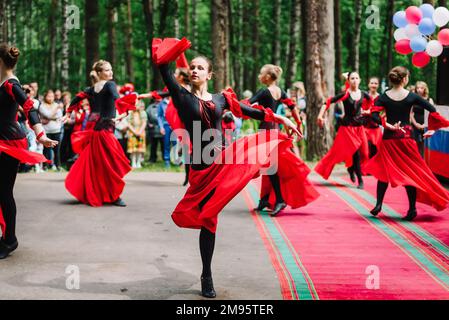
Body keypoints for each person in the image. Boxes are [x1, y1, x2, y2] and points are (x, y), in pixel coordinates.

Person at [154, 38, 305, 299]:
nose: (194, 70)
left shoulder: (221, 99)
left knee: (209, 219)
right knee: (205, 218)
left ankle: (206, 275)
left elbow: (254, 112)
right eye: (192, 66)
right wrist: (176, 49)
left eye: (200, 67)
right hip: (199, 169)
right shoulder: (180, 95)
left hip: (223, 162)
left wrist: (280, 118)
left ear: (209, 74)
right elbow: (163, 67)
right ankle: (206, 273)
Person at [365, 66, 449, 221]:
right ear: (404, 79)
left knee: (384, 172)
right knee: (410, 173)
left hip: (389, 139)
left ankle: (378, 204)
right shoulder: (412, 97)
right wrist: (433, 127)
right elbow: (432, 109)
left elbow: (374, 114)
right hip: (406, 140)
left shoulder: (383, 97)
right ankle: (412, 208)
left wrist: (386, 124)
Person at [0, 44, 58, 259]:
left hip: (9, 143)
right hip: (2, 139)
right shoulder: (2, 84)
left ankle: (10, 240)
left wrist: (41, 136)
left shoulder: (11, 85)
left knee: (4, 192)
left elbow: (29, 107)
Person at [65, 60, 132, 207]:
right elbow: (117, 98)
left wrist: (68, 112)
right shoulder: (110, 85)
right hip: (105, 130)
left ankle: (104, 193)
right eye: (107, 70)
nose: (111, 73)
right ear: (100, 73)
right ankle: (114, 196)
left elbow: (76, 98)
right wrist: (125, 109)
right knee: (111, 164)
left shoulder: (92, 88)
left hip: (95, 130)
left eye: (111, 70)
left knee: (99, 164)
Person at [249, 64, 309, 216]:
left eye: (261, 74)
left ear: (268, 77)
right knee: (267, 164)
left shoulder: (263, 91)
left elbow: (248, 104)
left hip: (267, 129)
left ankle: (280, 199)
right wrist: (298, 123)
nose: (259, 76)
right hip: (275, 128)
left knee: (270, 166)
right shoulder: (280, 91)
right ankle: (264, 199)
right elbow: (292, 106)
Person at [315, 71, 372, 189]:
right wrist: (320, 115)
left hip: (359, 128)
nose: (355, 80)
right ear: (348, 81)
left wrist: (368, 111)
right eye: (352, 78)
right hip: (347, 129)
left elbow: (373, 104)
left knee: (365, 153)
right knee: (354, 153)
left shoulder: (364, 94)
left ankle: (351, 169)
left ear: (360, 80)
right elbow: (328, 102)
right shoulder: (345, 94)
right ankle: (360, 180)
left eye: (357, 78)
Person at [39, 90, 64, 170]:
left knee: (57, 149)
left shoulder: (56, 105)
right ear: (45, 97)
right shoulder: (42, 105)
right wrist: (54, 113)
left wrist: (49, 117)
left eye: (52, 96)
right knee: (46, 149)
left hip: (56, 130)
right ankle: (45, 165)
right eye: (49, 96)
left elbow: (59, 116)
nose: (50, 98)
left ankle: (58, 165)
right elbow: (48, 115)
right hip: (46, 131)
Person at [411, 81, 434, 158]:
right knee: (415, 144)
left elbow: (432, 114)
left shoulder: (429, 100)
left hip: (426, 125)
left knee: (424, 145)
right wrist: (416, 124)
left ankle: (424, 162)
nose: (419, 90)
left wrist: (425, 125)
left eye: (421, 88)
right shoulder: (413, 99)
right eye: (417, 88)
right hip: (415, 125)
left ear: (425, 89)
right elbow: (410, 113)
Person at [364, 77, 383, 158]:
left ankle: (373, 169)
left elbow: (384, 110)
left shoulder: (381, 98)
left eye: (375, 83)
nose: (373, 85)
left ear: (378, 85)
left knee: (375, 150)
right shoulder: (364, 96)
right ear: (368, 84)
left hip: (375, 127)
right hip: (364, 127)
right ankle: (364, 169)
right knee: (365, 149)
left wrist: (380, 116)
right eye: (372, 83)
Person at [127, 100, 148, 169]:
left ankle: (138, 162)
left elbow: (144, 123)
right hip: (132, 132)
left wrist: (140, 131)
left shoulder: (143, 113)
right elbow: (129, 124)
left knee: (140, 149)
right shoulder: (130, 113)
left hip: (141, 131)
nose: (136, 106)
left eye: (137, 105)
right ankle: (133, 162)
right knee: (133, 149)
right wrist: (134, 131)